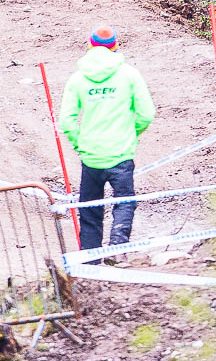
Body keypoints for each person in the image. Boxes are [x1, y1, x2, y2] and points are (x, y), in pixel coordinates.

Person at [58, 27, 156, 252]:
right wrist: (130, 134)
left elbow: (67, 121)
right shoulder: (130, 75)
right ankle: (118, 248)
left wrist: (80, 143)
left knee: (90, 210)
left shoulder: (77, 79)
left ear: (90, 45)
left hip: (91, 156)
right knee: (124, 202)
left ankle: (90, 260)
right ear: (115, 46)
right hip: (121, 153)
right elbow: (146, 114)